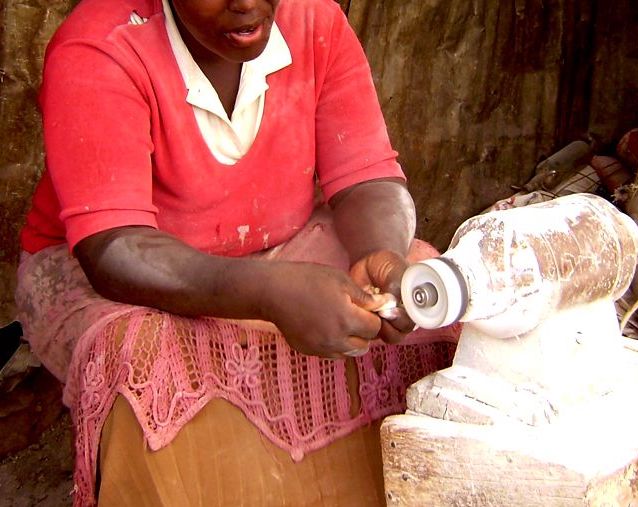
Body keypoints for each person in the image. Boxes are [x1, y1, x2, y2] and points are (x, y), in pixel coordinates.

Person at [14, 0, 459, 505]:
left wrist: (382, 255)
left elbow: (367, 173)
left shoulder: (314, 19)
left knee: (424, 286)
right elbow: (115, 248)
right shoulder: (102, 45)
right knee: (141, 357)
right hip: (117, 272)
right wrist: (267, 294)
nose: (246, 2)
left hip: (277, 240)